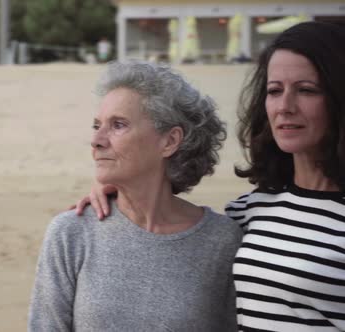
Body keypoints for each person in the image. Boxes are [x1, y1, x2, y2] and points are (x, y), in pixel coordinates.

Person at [75, 21, 345, 331]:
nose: (285, 107)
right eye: (274, 91)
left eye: (306, 90)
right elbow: (175, 223)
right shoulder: (250, 211)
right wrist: (116, 182)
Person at [29, 60, 243, 331]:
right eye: (97, 125)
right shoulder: (71, 232)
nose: (97, 140)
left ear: (169, 141)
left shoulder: (222, 241)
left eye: (118, 125)